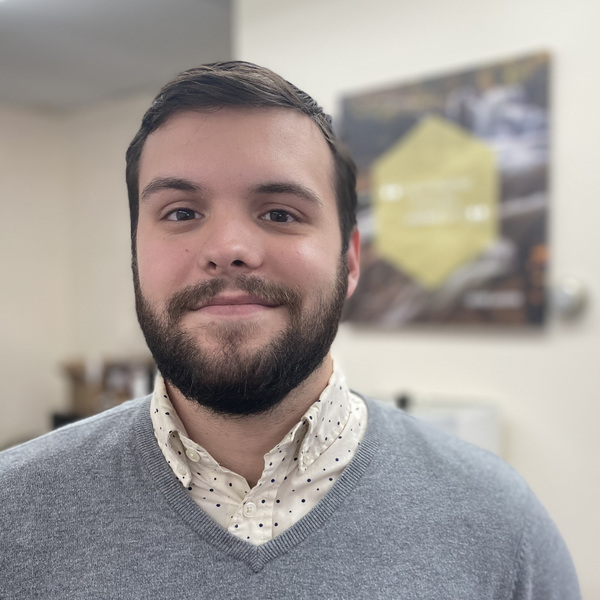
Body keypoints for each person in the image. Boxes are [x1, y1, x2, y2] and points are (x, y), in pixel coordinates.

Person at [0, 62, 580, 599]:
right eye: (181, 213)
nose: (228, 248)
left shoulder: (501, 523)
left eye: (280, 213)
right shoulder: (14, 510)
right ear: (135, 254)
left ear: (350, 260)